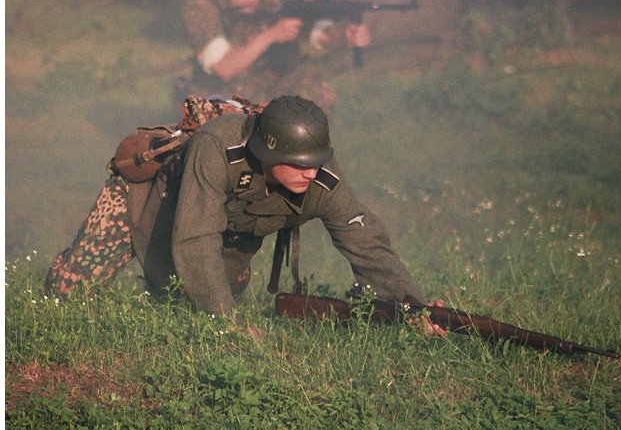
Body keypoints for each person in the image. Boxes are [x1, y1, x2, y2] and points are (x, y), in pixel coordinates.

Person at [45, 95, 444, 335]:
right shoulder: (216, 147)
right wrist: (228, 326)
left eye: (317, 161)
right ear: (269, 154)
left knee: (184, 310)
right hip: (153, 194)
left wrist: (411, 306)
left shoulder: (317, 174)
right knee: (64, 296)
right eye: (299, 163)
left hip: (224, 221)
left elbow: (366, 241)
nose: (311, 171)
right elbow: (196, 236)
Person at [179, 0, 370, 108]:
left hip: (268, 84)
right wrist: (270, 35)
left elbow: (316, 35)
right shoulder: (202, 10)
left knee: (317, 90)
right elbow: (224, 68)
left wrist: (345, 37)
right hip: (220, 92)